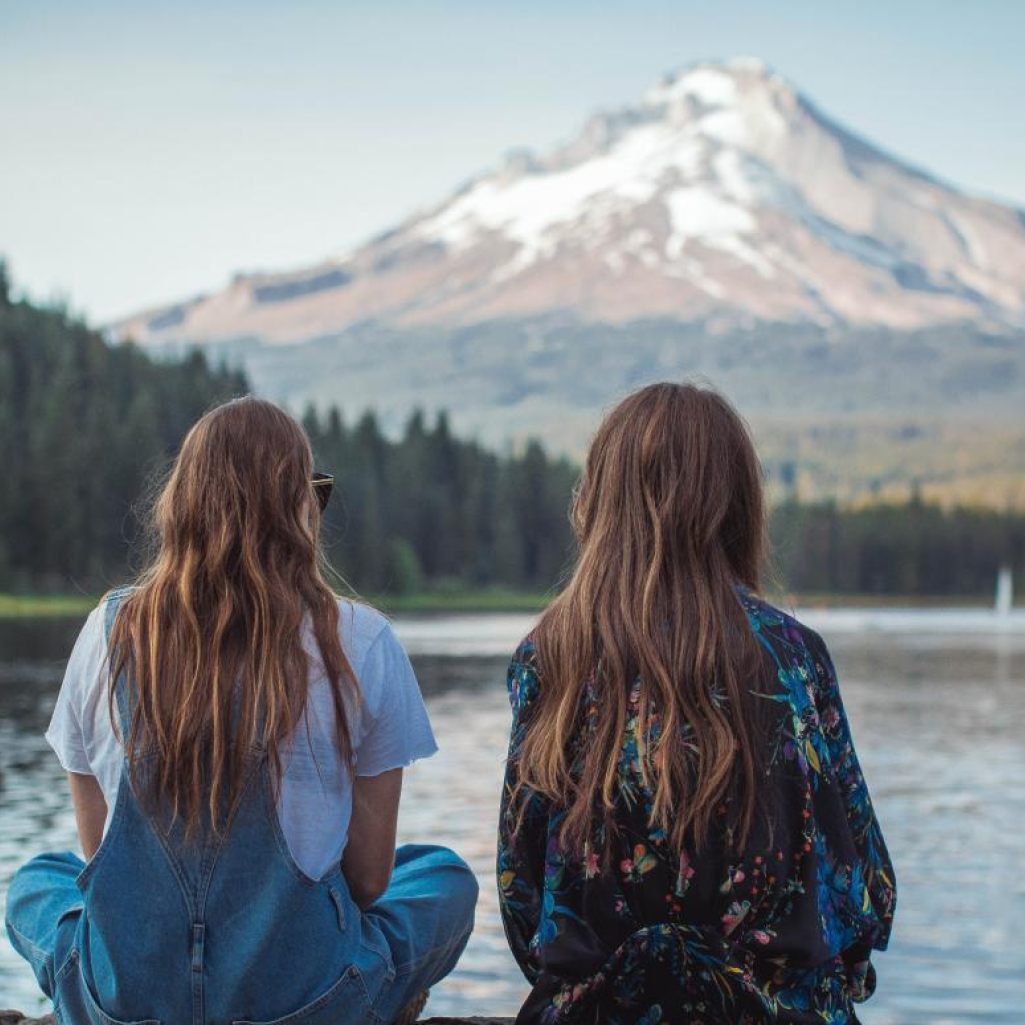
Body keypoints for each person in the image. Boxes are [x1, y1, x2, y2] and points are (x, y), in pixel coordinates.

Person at [5, 396, 477, 1025]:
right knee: (443, 878)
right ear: (298, 510)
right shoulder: (361, 641)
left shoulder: (108, 633)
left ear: (183, 505)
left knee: (38, 881)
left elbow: (100, 865)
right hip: (305, 1004)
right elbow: (367, 879)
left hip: (126, 1005)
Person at [497, 382, 895, 1024]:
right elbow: (861, 889)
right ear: (737, 504)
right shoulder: (794, 655)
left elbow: (522, 896)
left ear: (601, 499)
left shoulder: (550, 655)